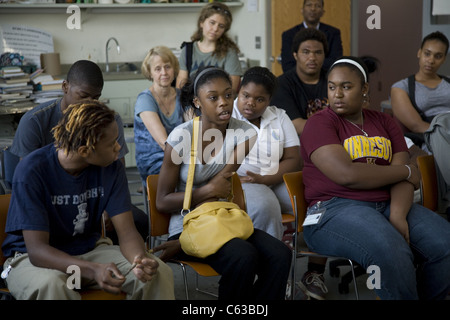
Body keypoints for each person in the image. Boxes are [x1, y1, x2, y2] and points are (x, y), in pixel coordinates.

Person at [300, 56, 450, 299]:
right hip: (333, 210)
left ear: (364, 89)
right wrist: (407, 170)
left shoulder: (384, 121)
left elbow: (402, 177)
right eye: (331, 86)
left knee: (445, 244)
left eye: (346, 87)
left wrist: (398, 214)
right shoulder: (319, 123)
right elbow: (347, 175)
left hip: (388, 204)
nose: (337, 94)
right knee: (391, 251)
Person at [1, 100, 175, 300]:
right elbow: (37, 251)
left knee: (158, 273)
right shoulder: (33, 170)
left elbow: (127, 233)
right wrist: (93, 270)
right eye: (112, 143)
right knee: (51, 286)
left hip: (88, 250)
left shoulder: (111, 166)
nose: (119, 147)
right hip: (33, 260)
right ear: (85, 151)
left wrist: (139, 260)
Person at [153, 67, 292, 300]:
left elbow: (221, 186)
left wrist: (211, 191)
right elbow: (162, 201)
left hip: (223, 219)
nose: (224, 103)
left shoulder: (245, 133)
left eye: (228, 95)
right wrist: (207, 191)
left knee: (280, 254)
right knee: (243, 256)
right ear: (197, 102)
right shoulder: (180, 139)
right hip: (187, 225)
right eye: (213, 97)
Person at [9, 59, 148, 244]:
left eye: (96, 98)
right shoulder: (34, 122)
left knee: (136, 222)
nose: (90, 103)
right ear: (65, 86)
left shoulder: (108, 120)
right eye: (83, 95)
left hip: (93, 196)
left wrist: (107, 207)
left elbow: (117, 169)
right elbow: (28, 182)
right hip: (51, 205)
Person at [232, 66, 301, 241]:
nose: (250, 103)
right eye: (245, 95)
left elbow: (293, 158)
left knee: (309, 199)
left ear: (269, 100)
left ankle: (313, 258)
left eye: (259, 99)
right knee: (266, 205)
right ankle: (270, 257)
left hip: (274, 179)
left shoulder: (279, 117)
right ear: (239, 91)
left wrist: (266, 179)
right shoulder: (226, 115)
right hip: (241, 182)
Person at [391, 31, 450, 219]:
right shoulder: (402, 87)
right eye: (427, 53)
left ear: (444, 59)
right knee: (440, 124)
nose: (431, 60)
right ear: (419, 53)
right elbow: (415, 125)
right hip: (431, 134)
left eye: (438, 56)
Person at [134, 46, 184, 183]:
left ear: (174, 69)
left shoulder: (182, 96)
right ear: (150, 73)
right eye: (157, 69)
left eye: (168, 67)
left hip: (180, 156)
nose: (164, 73)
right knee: (194, 173)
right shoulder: (145, 99)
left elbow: (195, 129)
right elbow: (164, 143)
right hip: (153, 161)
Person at [272, 28, 329, 137]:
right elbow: (296, 126)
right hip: (297, 145)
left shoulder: (333, 81)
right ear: (295, 55)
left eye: (318, 52)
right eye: (306, 52)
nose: (312, 58)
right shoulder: (281, 84)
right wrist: (334, 127)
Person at [176, 1, 242, 96]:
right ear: (201, 23)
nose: (215, 29)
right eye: (212, 23)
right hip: (192, 104)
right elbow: (180, 87)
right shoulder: (187, 50)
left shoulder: (229, 52)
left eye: (221, 26)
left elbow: (232, 89)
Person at [281, 0, 342, 73]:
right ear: (302, 10)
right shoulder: (288, 35)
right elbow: (287, 64)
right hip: (296, 81)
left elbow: (335, 61)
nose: (313, 9)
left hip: (325, 79)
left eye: (317, 6)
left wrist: (308, 66)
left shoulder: (333, 33)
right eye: (309, 5)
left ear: (323, 12)